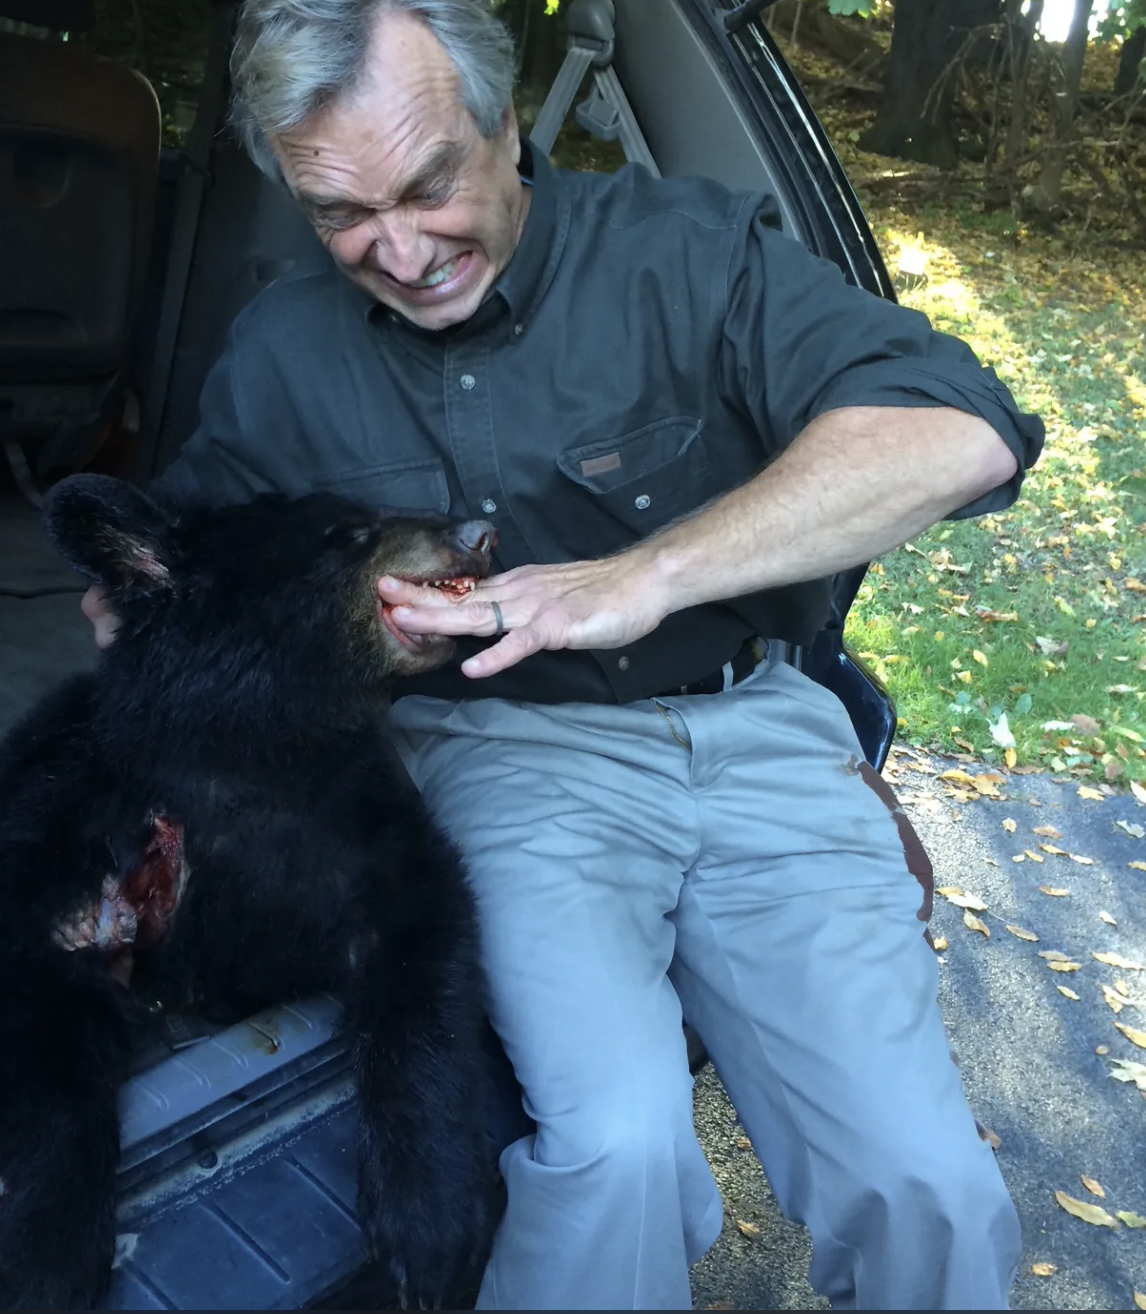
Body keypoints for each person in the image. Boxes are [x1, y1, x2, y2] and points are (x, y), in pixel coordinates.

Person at [84, 1, 1044, 1307]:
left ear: (506, 121)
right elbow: (194, 555)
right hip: (502, 750)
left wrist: (646, 573)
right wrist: (135, 618)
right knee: (613, 1143)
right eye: (340, 214)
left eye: (430, 185)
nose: (401, 250)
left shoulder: (684, 252)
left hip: (758, 734)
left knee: (925, 1180)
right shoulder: (286, 352)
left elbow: (959, 432)